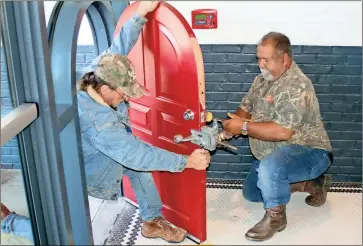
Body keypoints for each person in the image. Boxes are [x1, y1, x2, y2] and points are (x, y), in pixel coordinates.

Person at [76, 1, 211, 243]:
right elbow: (136, 154)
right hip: (95, 171)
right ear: (105, 89)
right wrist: (186, 161)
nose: (127, 98)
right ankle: (10, 221)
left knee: (140, 167)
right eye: (123, 93)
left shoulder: (96, 71)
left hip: (104, 148)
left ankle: (151, 221)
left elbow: (118, 47)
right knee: (137, 160)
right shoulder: (101, 125)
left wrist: (140, 13)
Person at [221, 31, 333, 242]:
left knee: (269, 171)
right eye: (259, 59)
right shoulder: (261, 80)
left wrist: (243, 127)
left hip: (309, 150)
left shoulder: (297, 84)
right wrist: (231, 127)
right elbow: (246, 107)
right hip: (275, 154)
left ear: (284, 59)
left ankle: (276, 219)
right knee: (252, 194)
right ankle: (312, 184)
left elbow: (283, 132)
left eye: (266, 59)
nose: (261, 65)